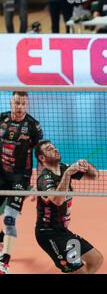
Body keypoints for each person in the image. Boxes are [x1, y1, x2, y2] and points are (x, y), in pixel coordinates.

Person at [34, 140, 103, 274]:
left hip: (63, 231)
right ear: (42, 158)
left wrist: (86, 165)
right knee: (80, 271)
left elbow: (95, 175)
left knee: (96, 260)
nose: (55, 149)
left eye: (54, 147)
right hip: (48, 233)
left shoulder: (64, 168)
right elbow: (57, 200)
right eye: (49, 148)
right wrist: (68, 174)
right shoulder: (44, 178)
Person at [0, 91, 43, 274]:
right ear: (11, 102)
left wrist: (40, 184)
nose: (19, 107)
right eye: (17, 103)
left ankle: (4, 263)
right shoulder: (1, 119)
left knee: (9, 219)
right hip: (1, 175)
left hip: (20, 178)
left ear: (28, 105)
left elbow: (40, 157)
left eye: (23, 104)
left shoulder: (33, 126)